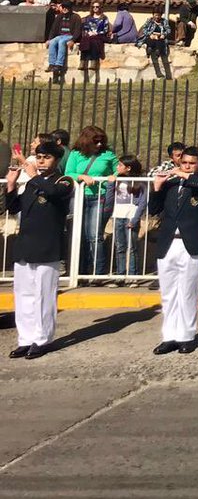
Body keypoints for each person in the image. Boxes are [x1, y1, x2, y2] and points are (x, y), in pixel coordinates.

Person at [6, 142, 72, 359]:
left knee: (43, 295)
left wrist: (33, 175)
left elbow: (52, 193)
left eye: (47, 157)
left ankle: (42, 339)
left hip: (47, 247)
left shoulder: (63, 181)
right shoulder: (32, 184)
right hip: (25, 245)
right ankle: (25, 339)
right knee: (23, 295)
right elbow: (14, 207)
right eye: (39, 157)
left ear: (57, 160)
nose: (41, 161)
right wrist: (11, 186)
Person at [150, 147, 198, 354]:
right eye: (184, 162)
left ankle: (186, 335)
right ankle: (169, 335)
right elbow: (154, 209)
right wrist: (157, 188)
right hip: (169, 242)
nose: (187, 166)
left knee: (188, 291)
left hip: (191, 243)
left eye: (192, 163)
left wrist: (186, 176)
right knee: (169, 293)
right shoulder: (171, 184)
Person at [64, 125, 119, 276]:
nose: (99, 144)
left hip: (98, 198)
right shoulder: (75, 154)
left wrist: (114, 177)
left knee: (94, 235)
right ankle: (77, 270)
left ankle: (98, 272)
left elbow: (118, 170)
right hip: (79, 196)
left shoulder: (108, 155)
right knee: (78, 234)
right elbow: (68, 173)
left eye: (101, 141)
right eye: (95, 141)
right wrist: (81, 177)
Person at [105, 155, 147, 277]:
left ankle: (133, 275)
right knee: (120, 247)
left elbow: (143, 202)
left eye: (120, 165)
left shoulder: (139, 182)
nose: (117, 167)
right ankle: (120, 274)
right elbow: (110, 198)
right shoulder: (117, 180)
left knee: (132, 247)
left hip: (131, 216)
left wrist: (135, 219)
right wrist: (110, 184)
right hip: (118, 216)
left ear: (128, 168)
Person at [45, 0, 81, 83]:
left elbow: (77, 30)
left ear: (70, 8)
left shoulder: (76, 17)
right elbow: (53, 29)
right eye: (63, 7)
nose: (64, 9)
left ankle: (59, 64)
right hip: (60, 35)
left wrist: (73, 40)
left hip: (69, 36)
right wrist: (49, 39)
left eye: (66, 7)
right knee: (53, 42)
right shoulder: (59, 16)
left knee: (61, 42)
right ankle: (52, 64)